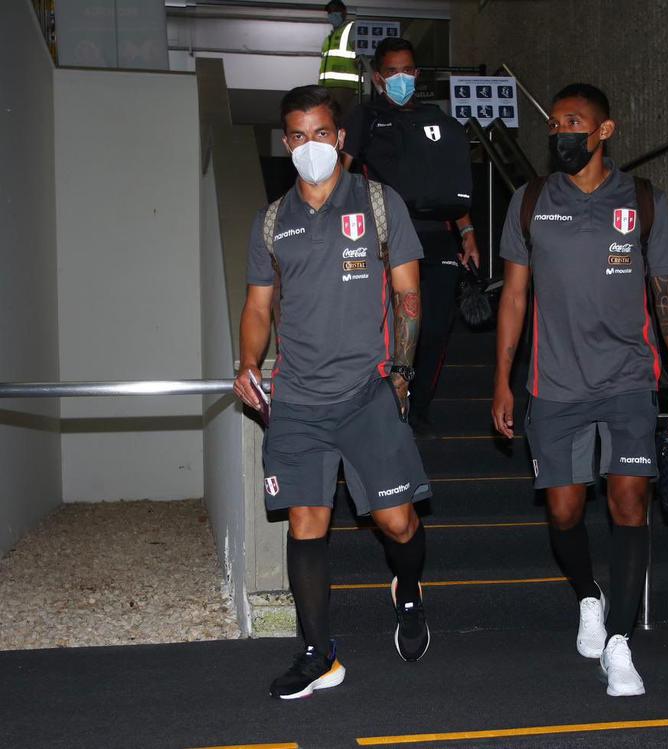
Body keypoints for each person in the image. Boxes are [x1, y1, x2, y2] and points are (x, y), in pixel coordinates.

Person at [491, 83, 668, 697]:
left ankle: (620, 642)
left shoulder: (643, 202)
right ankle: (588, 594)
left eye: (574, 123)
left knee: (629, 503)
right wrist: (501, 379)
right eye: (555, 125)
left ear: (604, 132)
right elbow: (514, 297)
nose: (561, 134)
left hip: (630, 380)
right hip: (553, 385)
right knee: (563, 511)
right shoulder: (529, 201)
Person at [234, 85, 432, 700]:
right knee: (305, 522)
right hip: (297, 400)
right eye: (297, 135)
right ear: (285, 142)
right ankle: (318, 654)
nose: (309, 146)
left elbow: (408, 297)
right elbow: (259, 306)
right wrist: (247, 362)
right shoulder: (271, 222)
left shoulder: (377, 203)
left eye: (321, 133)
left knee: (397, 524)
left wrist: (400, 373)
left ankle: (409, 589)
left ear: (340, 138)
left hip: (367, 391)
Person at [341, 37, 480, 435]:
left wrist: (467, 231)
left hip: (438, 237)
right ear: (377, 76)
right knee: (391, 327)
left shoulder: (437, 119)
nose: (400, 78)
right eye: (391, 71)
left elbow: (450, 184)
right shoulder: (365, 117)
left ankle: (418, 407)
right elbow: (338, 175)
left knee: (435, 326)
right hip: (385, 240)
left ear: (416, 74)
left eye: (407, 70)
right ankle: (381, 404)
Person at [317, 1, 359, 120]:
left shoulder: (351, 29)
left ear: (343, 12)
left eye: (335, 11)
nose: (331, 14)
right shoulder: (329, 38)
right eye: (329, 12)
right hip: (326, 87)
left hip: (344, 86)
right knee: (328, 118)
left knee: (337, 118)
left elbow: (361, 53)